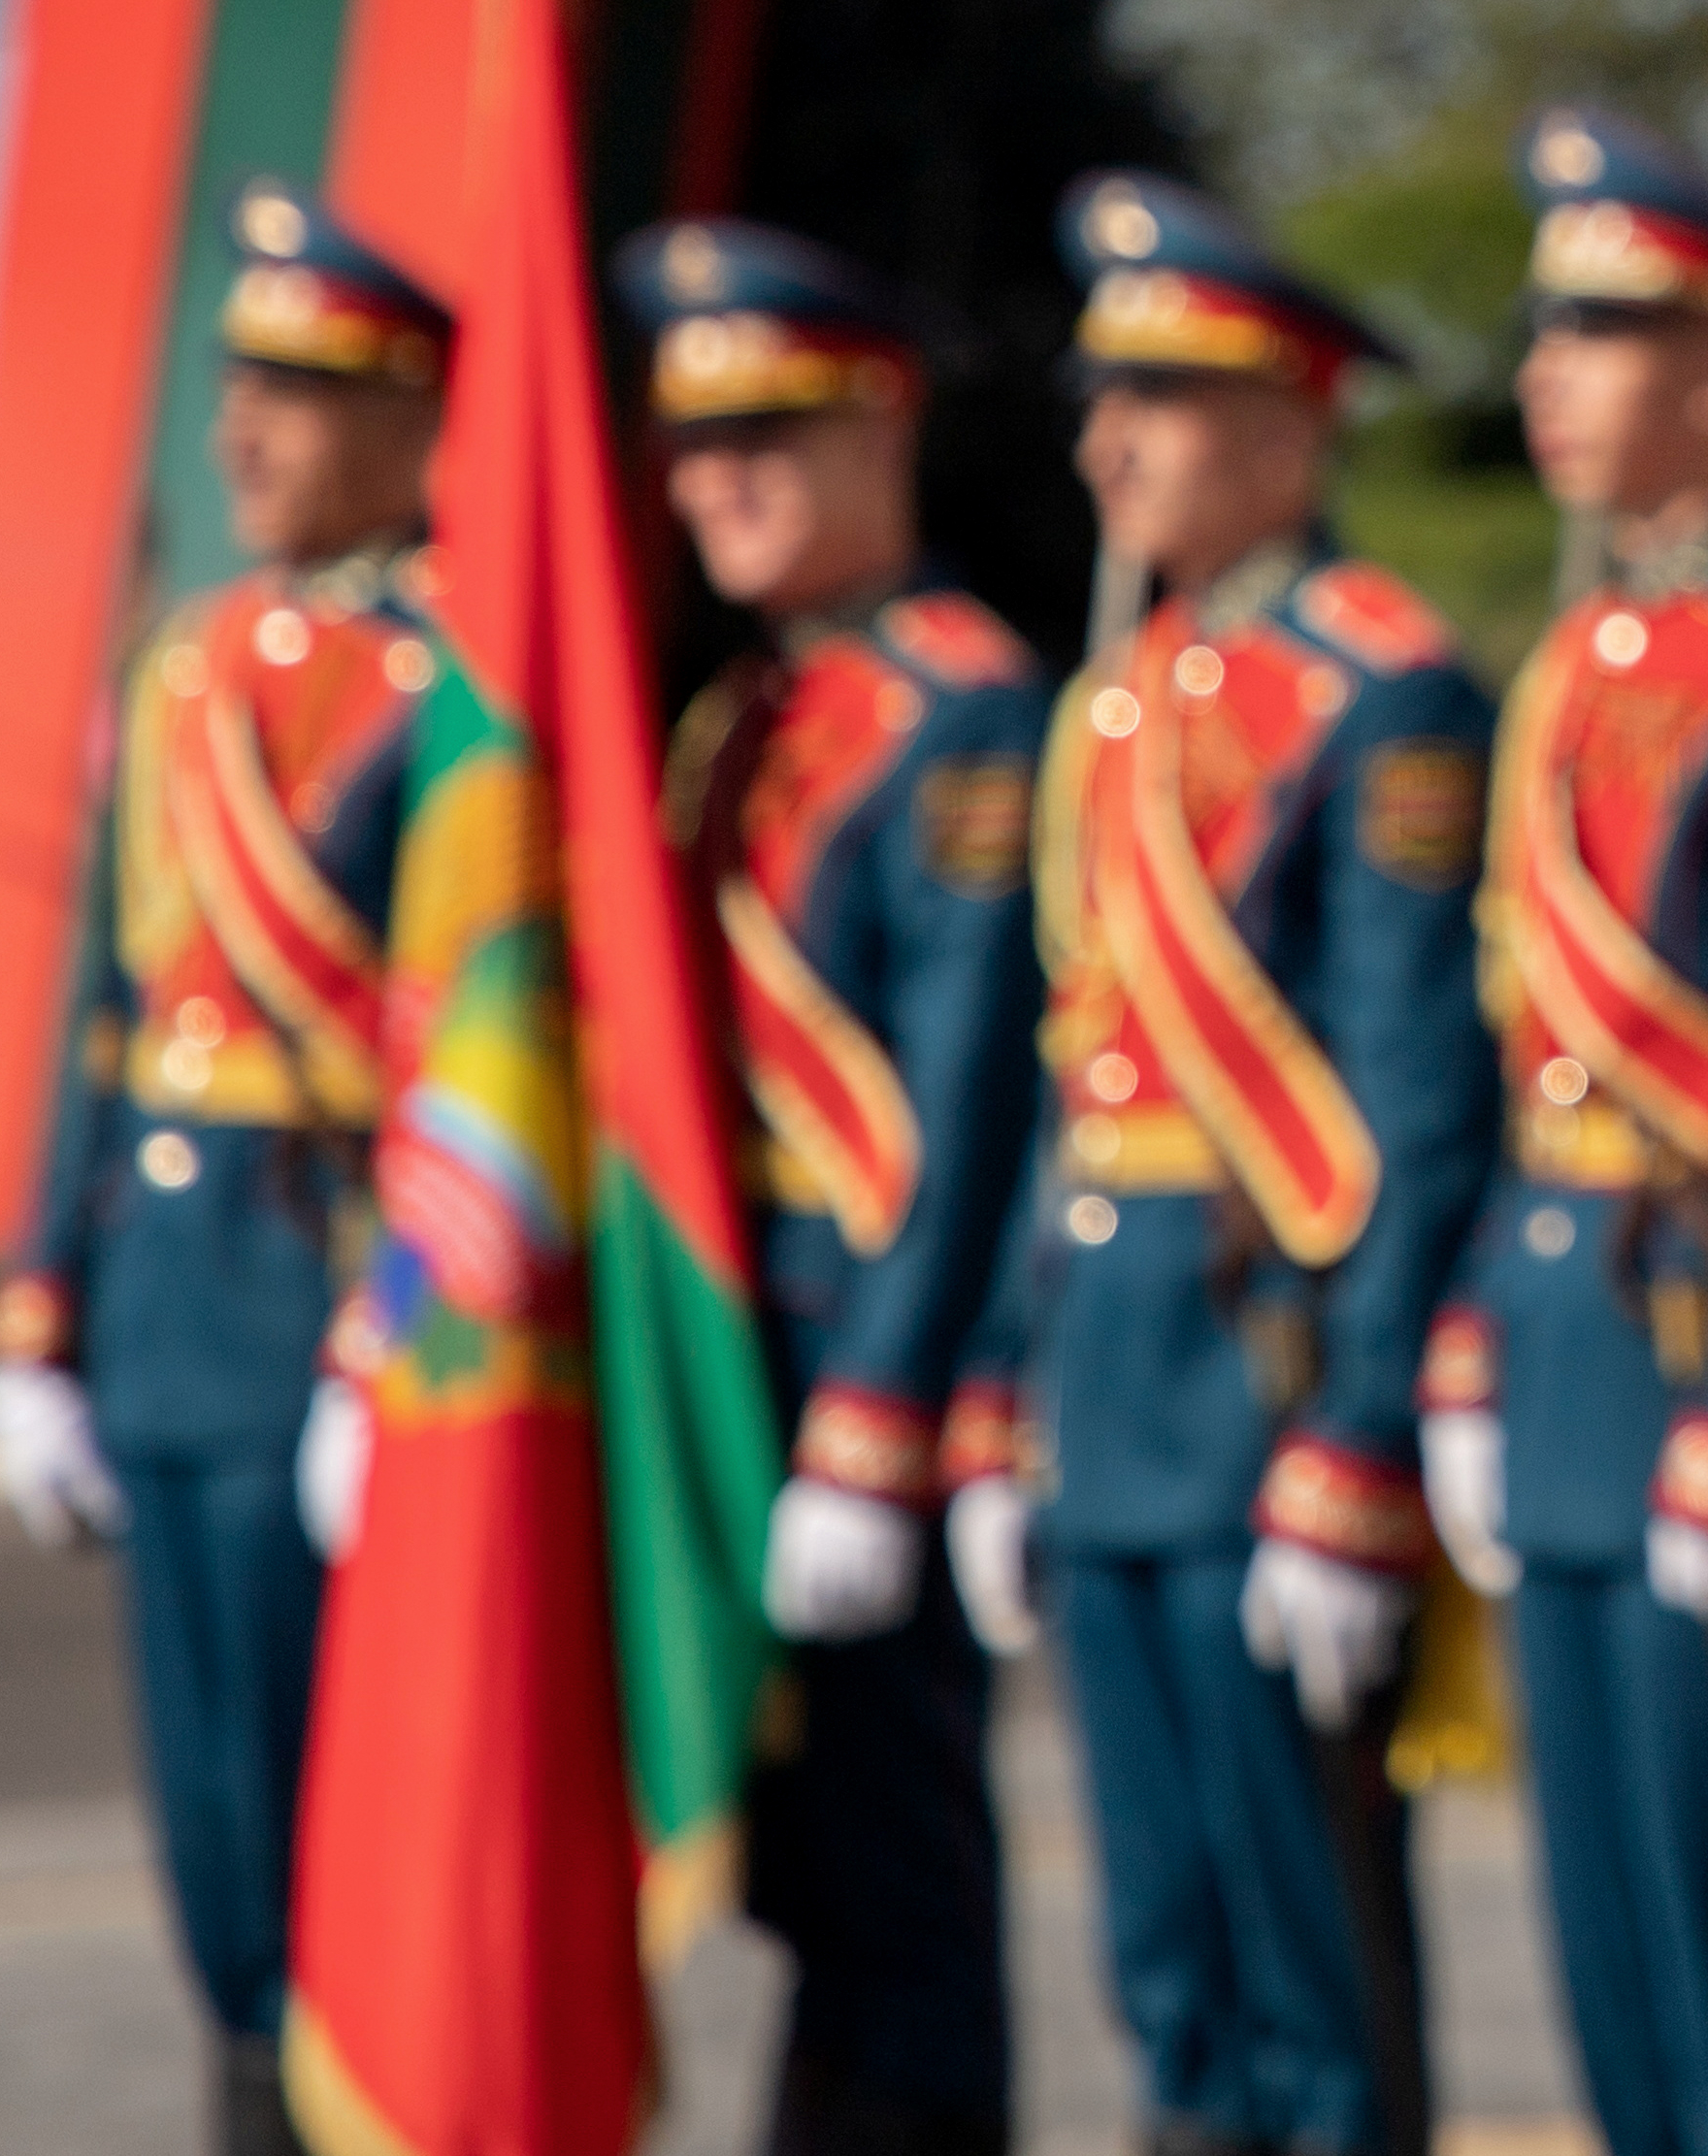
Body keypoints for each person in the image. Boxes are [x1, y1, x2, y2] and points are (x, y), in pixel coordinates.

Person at [1006, 170, 1501, 2156]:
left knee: (1313, 1972)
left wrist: (1360, 1427)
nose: (1105, 435)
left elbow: (1408, 1087)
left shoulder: (1377, 682)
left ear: (1292, 427)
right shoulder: (1117, 692)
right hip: (1108, 1372)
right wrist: (992, 1388)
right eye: (1100, 389)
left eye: (1165, 395)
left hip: (1259, 1372)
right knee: (1164, 1952)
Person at [0, 180, 448, 2156]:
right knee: (208, 1824)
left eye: (299, 389)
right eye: (236, 384)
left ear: (410, 416)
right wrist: (34, 1305)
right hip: (162, 1303)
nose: (242, 430)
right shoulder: (181, 666)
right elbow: (101, 1008)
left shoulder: (451, 685)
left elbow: (473, 1072)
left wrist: (389, 1334)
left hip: (309, 1297)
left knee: (328, 1841)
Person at [1423, 106, 1708, 2156]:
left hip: (1702, 1348)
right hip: (1567, 1344)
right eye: (1546, 329)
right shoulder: (1571, 656)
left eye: (1599, 330)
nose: (1543, 372)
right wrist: (1461, 1340)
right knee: (1600, 1952)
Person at [617, 219, 1050, 2156]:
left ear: (883, 425)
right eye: (693, 438)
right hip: (733, 1353)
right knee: (797, 1866)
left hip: (860, 1364)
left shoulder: (960, 710)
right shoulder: (739, 719)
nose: (715, 476)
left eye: (766, 432)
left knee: (897, 1876)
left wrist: (878, 1417)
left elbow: (963, 1106)